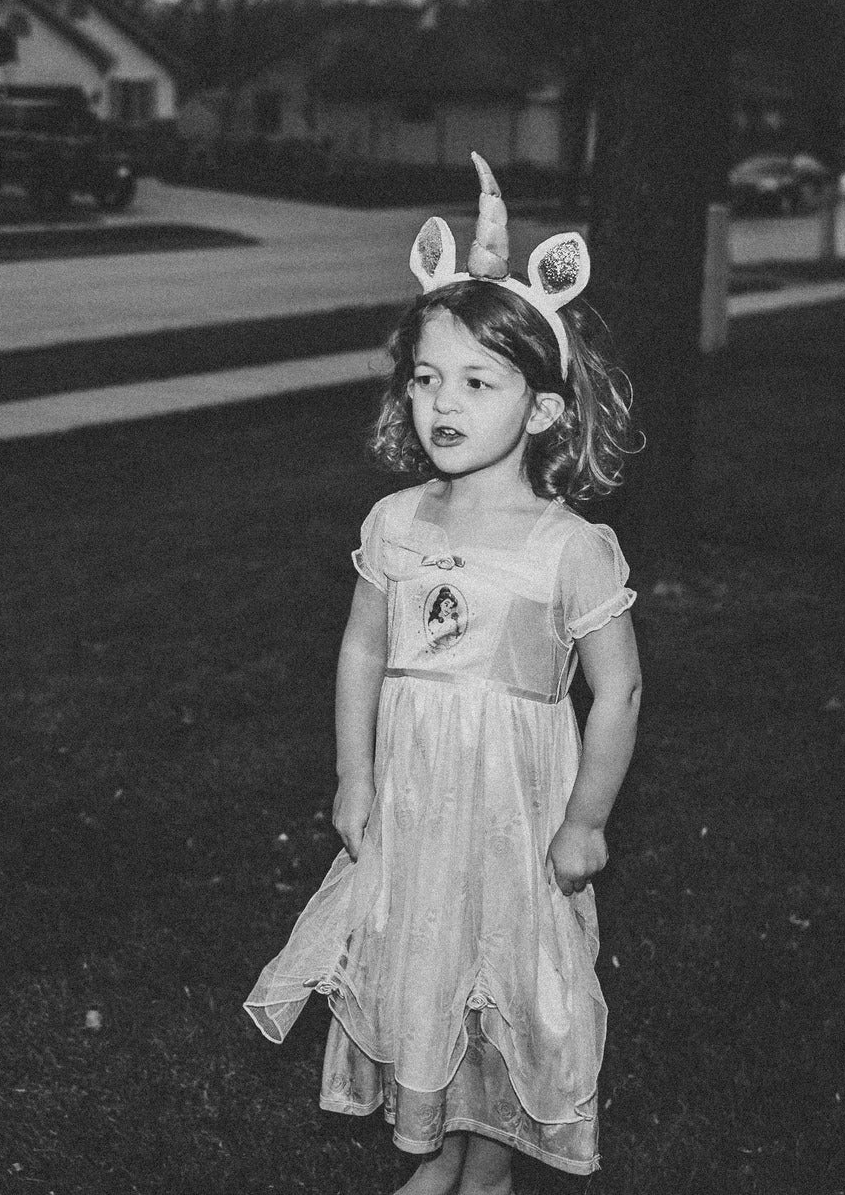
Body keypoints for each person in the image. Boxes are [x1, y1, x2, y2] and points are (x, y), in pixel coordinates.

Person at [246, 155, 643, 1192]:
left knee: (507, 967)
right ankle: (443, 1144)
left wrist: (586, 816)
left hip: (516, 798)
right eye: (424, 378)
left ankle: (490, 1158)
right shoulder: (392, 522)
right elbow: (362, 649)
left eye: (477, 381)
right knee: (429, 958)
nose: (442, 403)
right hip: (418, 792)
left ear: (545, 409)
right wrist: (352, 772)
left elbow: (619, 689)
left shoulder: (570, 545)